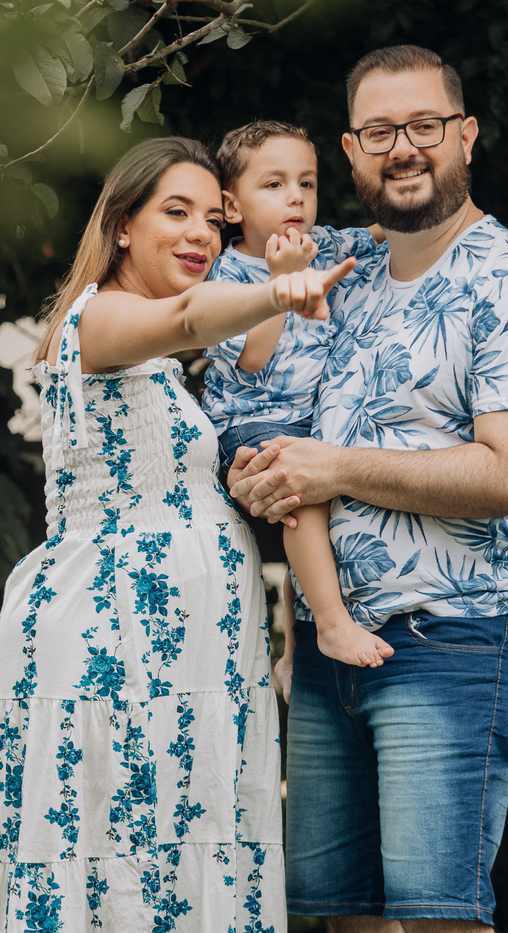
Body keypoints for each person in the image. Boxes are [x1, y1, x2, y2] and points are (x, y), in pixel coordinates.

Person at [0, 136, 354, 933]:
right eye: (176, 212)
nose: (201, 234)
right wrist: (278, 291)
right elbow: (192, 316)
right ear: (123, 225)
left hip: (185, 665)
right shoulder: (100, 318)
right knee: (115, 866)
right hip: (117, 652)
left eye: (213, 220)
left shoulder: (156, 365)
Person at [229, 46, 508, 931]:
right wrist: (256, 470)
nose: (404, 148)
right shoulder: (342, 269)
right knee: (340, 913)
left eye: (424, 125)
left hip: (451, 639)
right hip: (325, 650)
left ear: (466, 134)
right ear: (351, 151)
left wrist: (333, 467)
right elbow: (249, 342)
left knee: (437, 915)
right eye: (381, 132)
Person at [201, 120, 393, 671]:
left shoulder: (321, 245)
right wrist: (279, 284)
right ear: (232, 207)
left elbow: (379, 235)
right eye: (274, 184)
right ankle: (331, 624)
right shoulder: (224, 274)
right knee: (302, 503)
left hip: (310, 419)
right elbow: (252, 359)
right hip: (250, 422)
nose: (296, 197)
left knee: (317, 524)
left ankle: (294, 648)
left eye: (306, 183)